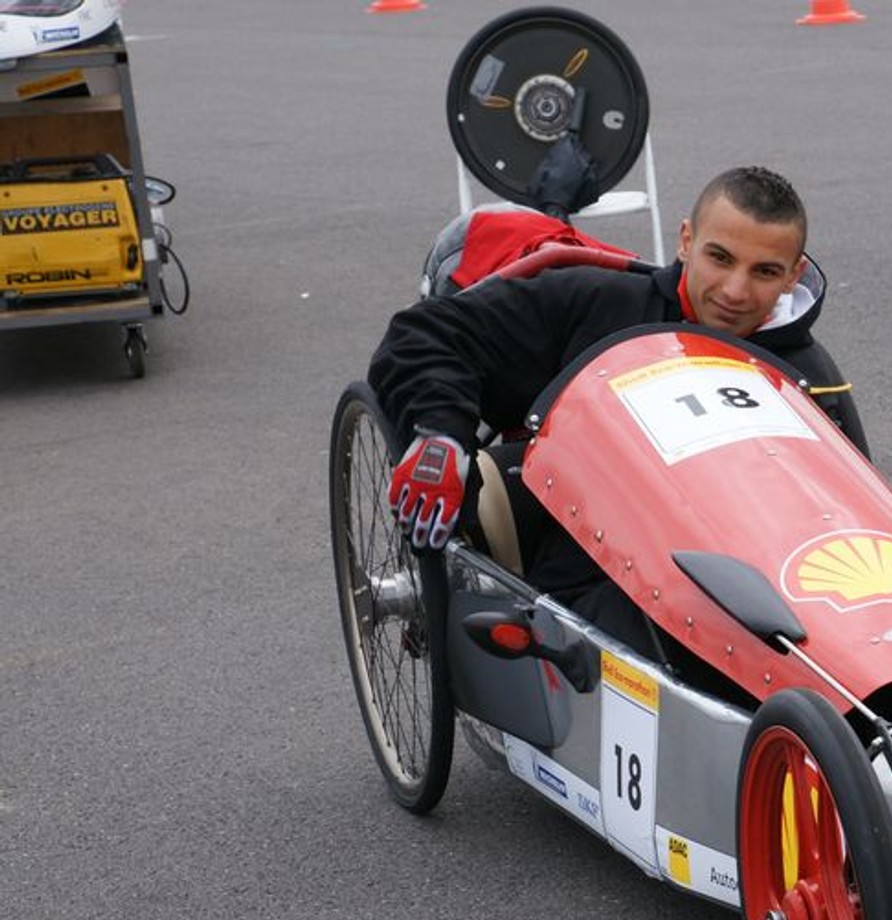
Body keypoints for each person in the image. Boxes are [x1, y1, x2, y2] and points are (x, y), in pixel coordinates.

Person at [369, 165, 863, 644]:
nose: (735, 290)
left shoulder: (813, 378)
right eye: (720, 258)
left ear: (794, 275)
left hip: (771, 594)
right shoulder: (600, 304)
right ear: (686, 241)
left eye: (765, 272)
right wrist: (440, 432)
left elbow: (853, 516)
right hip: (595, 577)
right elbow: (425, 334)